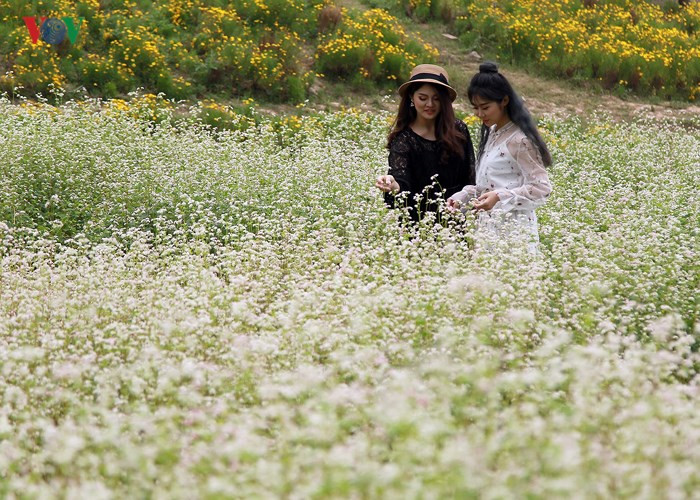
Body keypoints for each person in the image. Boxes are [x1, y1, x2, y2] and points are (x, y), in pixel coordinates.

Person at [447, 62, 552, 252]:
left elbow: (541, 188)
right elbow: (489, 185)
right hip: (488, 230)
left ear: (504, 101)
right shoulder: (494, 132)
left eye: (485, 107)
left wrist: (499, 196)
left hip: (514, 234)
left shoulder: (520, 140)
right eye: (475, 108)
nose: (479, 114)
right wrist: (464, 195)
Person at [376, 64, 475, 222]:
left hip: (456, 218)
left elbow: (470, 178)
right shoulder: (404, 140)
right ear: (411, 97)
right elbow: (402, 182)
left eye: (436, 98)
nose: (430, 104)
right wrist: (393, 186)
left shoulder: (458, 130)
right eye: (423, 98)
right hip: (419, 226)